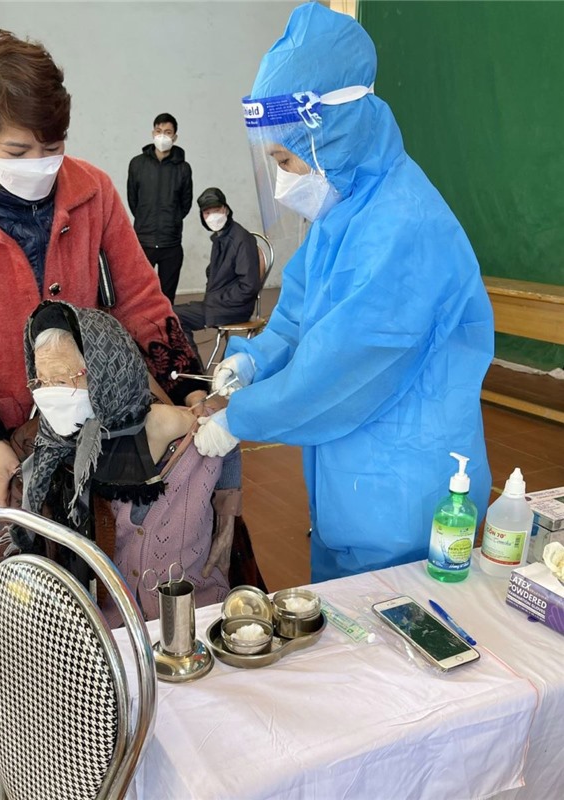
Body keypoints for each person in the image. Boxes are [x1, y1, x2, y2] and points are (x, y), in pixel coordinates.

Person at [194, 3, 494, 583]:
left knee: (395, 620)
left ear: (329, 134)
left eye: (286, 158)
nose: (282, 181)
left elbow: (340, 368)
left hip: (403, 490)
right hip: (350, 476)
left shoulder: (405, 227)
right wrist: (250, 362)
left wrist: (240, 417)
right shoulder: (342, 212)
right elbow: (296, 317)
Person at [0, 30, 207, 580]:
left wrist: (188, 385)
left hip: (83, 427)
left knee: (84, 569)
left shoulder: (92, 190)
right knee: (7, 581)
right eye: (18, 152)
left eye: (53, 145)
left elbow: (140, 297)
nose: (39, 163)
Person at [10, 301, 240, 626]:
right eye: (41, 381)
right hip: (111, 627)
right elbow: (18, 544)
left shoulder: (176, 426)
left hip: (197, 612)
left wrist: (227, 518)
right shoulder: (49, 451)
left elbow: (225, 439)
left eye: (62, 379)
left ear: (105, 371)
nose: (49, 396)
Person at [173, 187, 261, 362]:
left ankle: (195, 371)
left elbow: (249, 286)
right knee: (170, 314)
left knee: (174, 317)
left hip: (234, 308)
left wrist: (217, 299)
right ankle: (194, 369)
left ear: (226, 209)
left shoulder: (241, 239)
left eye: (216, 210)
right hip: (219, 304)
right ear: (202, 216)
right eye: (207, 212)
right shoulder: (221, 237)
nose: (212, 216)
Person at [127, 113, 193, 304]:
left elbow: (185, 204)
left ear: (175, 137)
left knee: (166, 299)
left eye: (168, 132)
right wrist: (145, 219)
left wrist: (172, 220)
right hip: (143, 241)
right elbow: (133, 200)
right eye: (159, 131)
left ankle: (166, 325)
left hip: (171, 243)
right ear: (152, 133)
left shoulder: (183, 168)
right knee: (140, 297)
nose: (162, 135)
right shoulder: (137, 164)